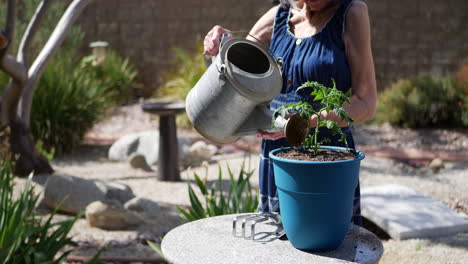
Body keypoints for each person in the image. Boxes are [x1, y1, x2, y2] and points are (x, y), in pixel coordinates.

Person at [204, 0, 376, 226]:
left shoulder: (351, 13)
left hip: (327, 153)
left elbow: (366, 103)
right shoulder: (278, 15)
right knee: (276, 242)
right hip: (277, 152)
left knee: (327, 243)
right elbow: (237, 73)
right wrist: (220, 45)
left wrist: (307, 122)